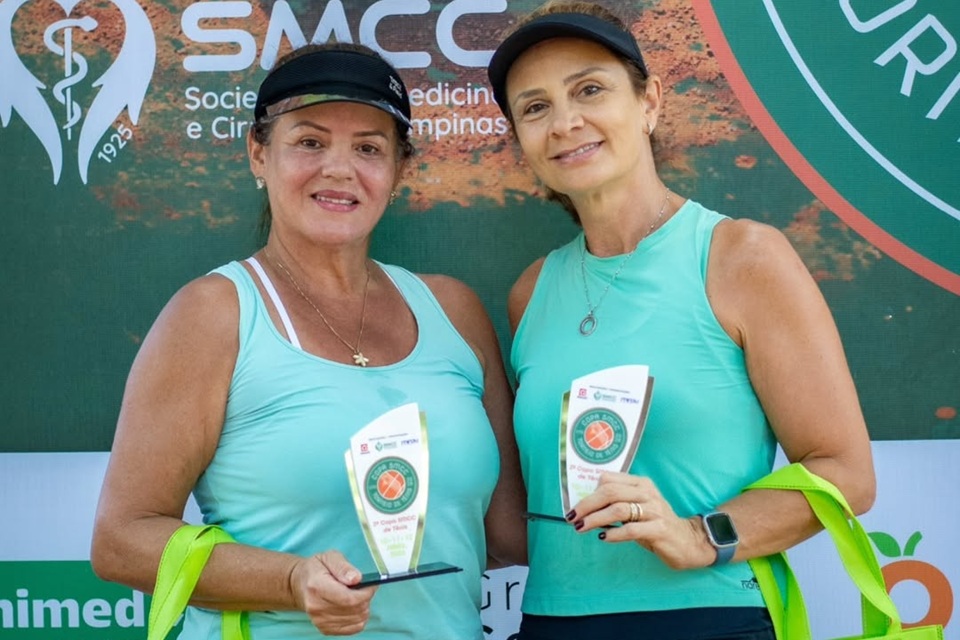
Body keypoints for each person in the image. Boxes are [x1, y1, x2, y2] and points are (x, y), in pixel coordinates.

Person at [91, 42, 526, 639]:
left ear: (399, 170)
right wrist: (292, 580)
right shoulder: (214, 313)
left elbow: (511, 534)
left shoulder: (454, 311)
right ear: (258, 152)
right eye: (310, 142)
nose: (340, 169)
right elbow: (122, 541)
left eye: (368, 148)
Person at [486, 2, 875, 639]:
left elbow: (845, 473)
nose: (565, 122)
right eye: (534, 107)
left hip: (708, 618)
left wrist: (700, 535)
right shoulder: (531, 292)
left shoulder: (741, 257)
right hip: (551, 621)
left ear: (650, 102)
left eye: (590, 90)